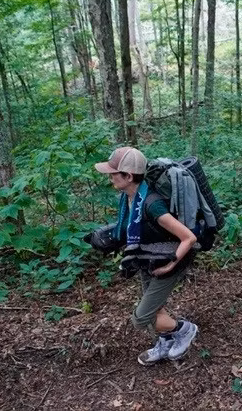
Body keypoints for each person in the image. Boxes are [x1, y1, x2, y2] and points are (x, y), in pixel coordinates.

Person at [93, 147, 199, 366]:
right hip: (147, 258)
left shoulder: (152, 205)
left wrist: (170, 265)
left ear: (128, 176)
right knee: (156, 309)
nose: (110, 176)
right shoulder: (129, 198)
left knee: (142, 317)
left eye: (114, 173)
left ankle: (185, 329)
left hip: (169, 260)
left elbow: (188, 238)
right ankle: (165, 344)